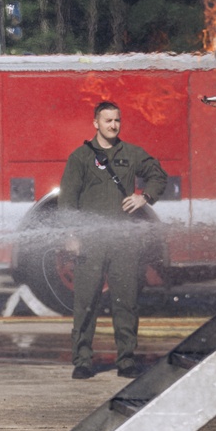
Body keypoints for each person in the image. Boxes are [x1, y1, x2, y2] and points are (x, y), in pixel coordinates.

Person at [58, 100, 168, 380]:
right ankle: (82, 360)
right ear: (95, 123)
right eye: (107, 120)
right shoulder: (80, 158)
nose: (113, 125)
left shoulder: (131, 154)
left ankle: (127, 359)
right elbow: (68, 200)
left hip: (124, 241)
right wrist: (70, 234)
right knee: (85, 302)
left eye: (117, 120)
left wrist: (145, 196)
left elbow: (158, 174)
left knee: (126, 301)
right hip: (91, 242)